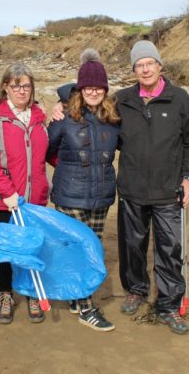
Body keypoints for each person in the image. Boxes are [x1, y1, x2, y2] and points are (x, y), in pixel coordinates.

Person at [116, 40, 189, 335]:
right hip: (132, 189)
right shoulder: (123, 99)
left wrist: (188, 177)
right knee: (132, 246)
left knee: (170, 248)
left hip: (169, 191)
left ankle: (167, 305)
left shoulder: (178, 98)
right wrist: (61, 108)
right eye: (139, 65)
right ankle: (136, 290)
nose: (145, 69)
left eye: (149, 63)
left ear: (159, 66)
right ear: (133, 70)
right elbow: (96, 119)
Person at [47, 49, 120, 332]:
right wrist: (68, 170)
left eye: (98, 87)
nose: (93, 91)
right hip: (70, 196)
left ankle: (77, 297)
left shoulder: (113, 117)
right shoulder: (64, 115)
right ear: (80, 88)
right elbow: (48, 150)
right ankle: (87, 308)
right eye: (88, 86)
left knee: (93, 249)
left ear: (105, 89)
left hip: (101, 197)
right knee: (81, 250)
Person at [0, 63, 50, 325]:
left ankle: (31, 292)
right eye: (16, 85)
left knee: (31, 246)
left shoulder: (41, 119)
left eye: (26, 86)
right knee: (6, 249)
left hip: (35, 200)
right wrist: (8, 192)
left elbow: (48, 156)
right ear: (6, 87)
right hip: (2, 201)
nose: (22, 90)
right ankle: (6, 293)